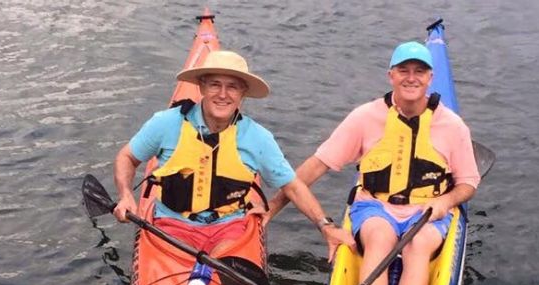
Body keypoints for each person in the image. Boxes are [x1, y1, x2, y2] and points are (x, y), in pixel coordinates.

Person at [265, 41, 480, 285]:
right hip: (374, 206)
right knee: (380, 237)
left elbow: (468, 183)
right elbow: (317, 165)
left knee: (419, 244)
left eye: (420, 71)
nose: (411, 77)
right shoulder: (364, 117)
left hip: (428, 211)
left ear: (430, 78)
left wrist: (446, 201)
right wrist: (271, 208)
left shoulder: (453, 126)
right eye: (403, 70)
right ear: (390, 75)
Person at [112, 50, 356, 261]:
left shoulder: (257, 138)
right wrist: (125, 195)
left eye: (232, 87)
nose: (223, 94)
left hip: (229, 230)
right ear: (201, 87)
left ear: (243, 93)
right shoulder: (165, 124)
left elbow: (293, 186)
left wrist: (325, 226)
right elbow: (127, 157)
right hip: (171, 227)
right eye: (215, 84)